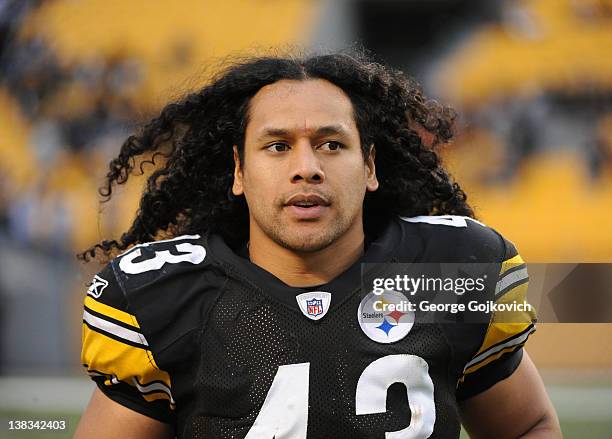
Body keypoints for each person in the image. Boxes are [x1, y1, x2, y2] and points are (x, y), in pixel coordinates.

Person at [75, 51, 561, 438]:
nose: (307, 167)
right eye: (278, 146)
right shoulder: (171, 293)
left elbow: (526, 426)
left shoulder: (445, 273)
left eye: (331, 144)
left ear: (370, 166)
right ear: (239, 172)